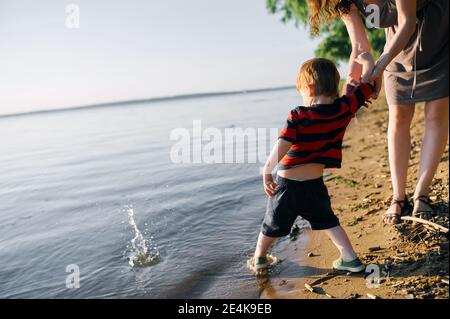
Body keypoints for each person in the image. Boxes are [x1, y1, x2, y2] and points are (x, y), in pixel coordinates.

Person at [307, 0, 449, 224]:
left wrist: (380, 66)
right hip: (396, 48)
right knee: (399, 116)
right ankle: (399, 196)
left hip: (439, 36)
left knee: (436, 115)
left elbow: (407, 22)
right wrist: (354, 79)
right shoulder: (343, 2)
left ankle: (422, 194)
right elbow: (360, 47)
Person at [249, 58, 374, 275]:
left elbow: (281, 147)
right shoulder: (344, 108)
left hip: (287, 187)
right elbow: (369, 86)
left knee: (271, 224)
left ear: (310, 89)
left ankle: (259, 258)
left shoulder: (299, 115)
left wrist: (266, 171)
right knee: (328, 221)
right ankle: (350, 259)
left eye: (302, 92)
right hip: (315, 186)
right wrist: (365, 61)